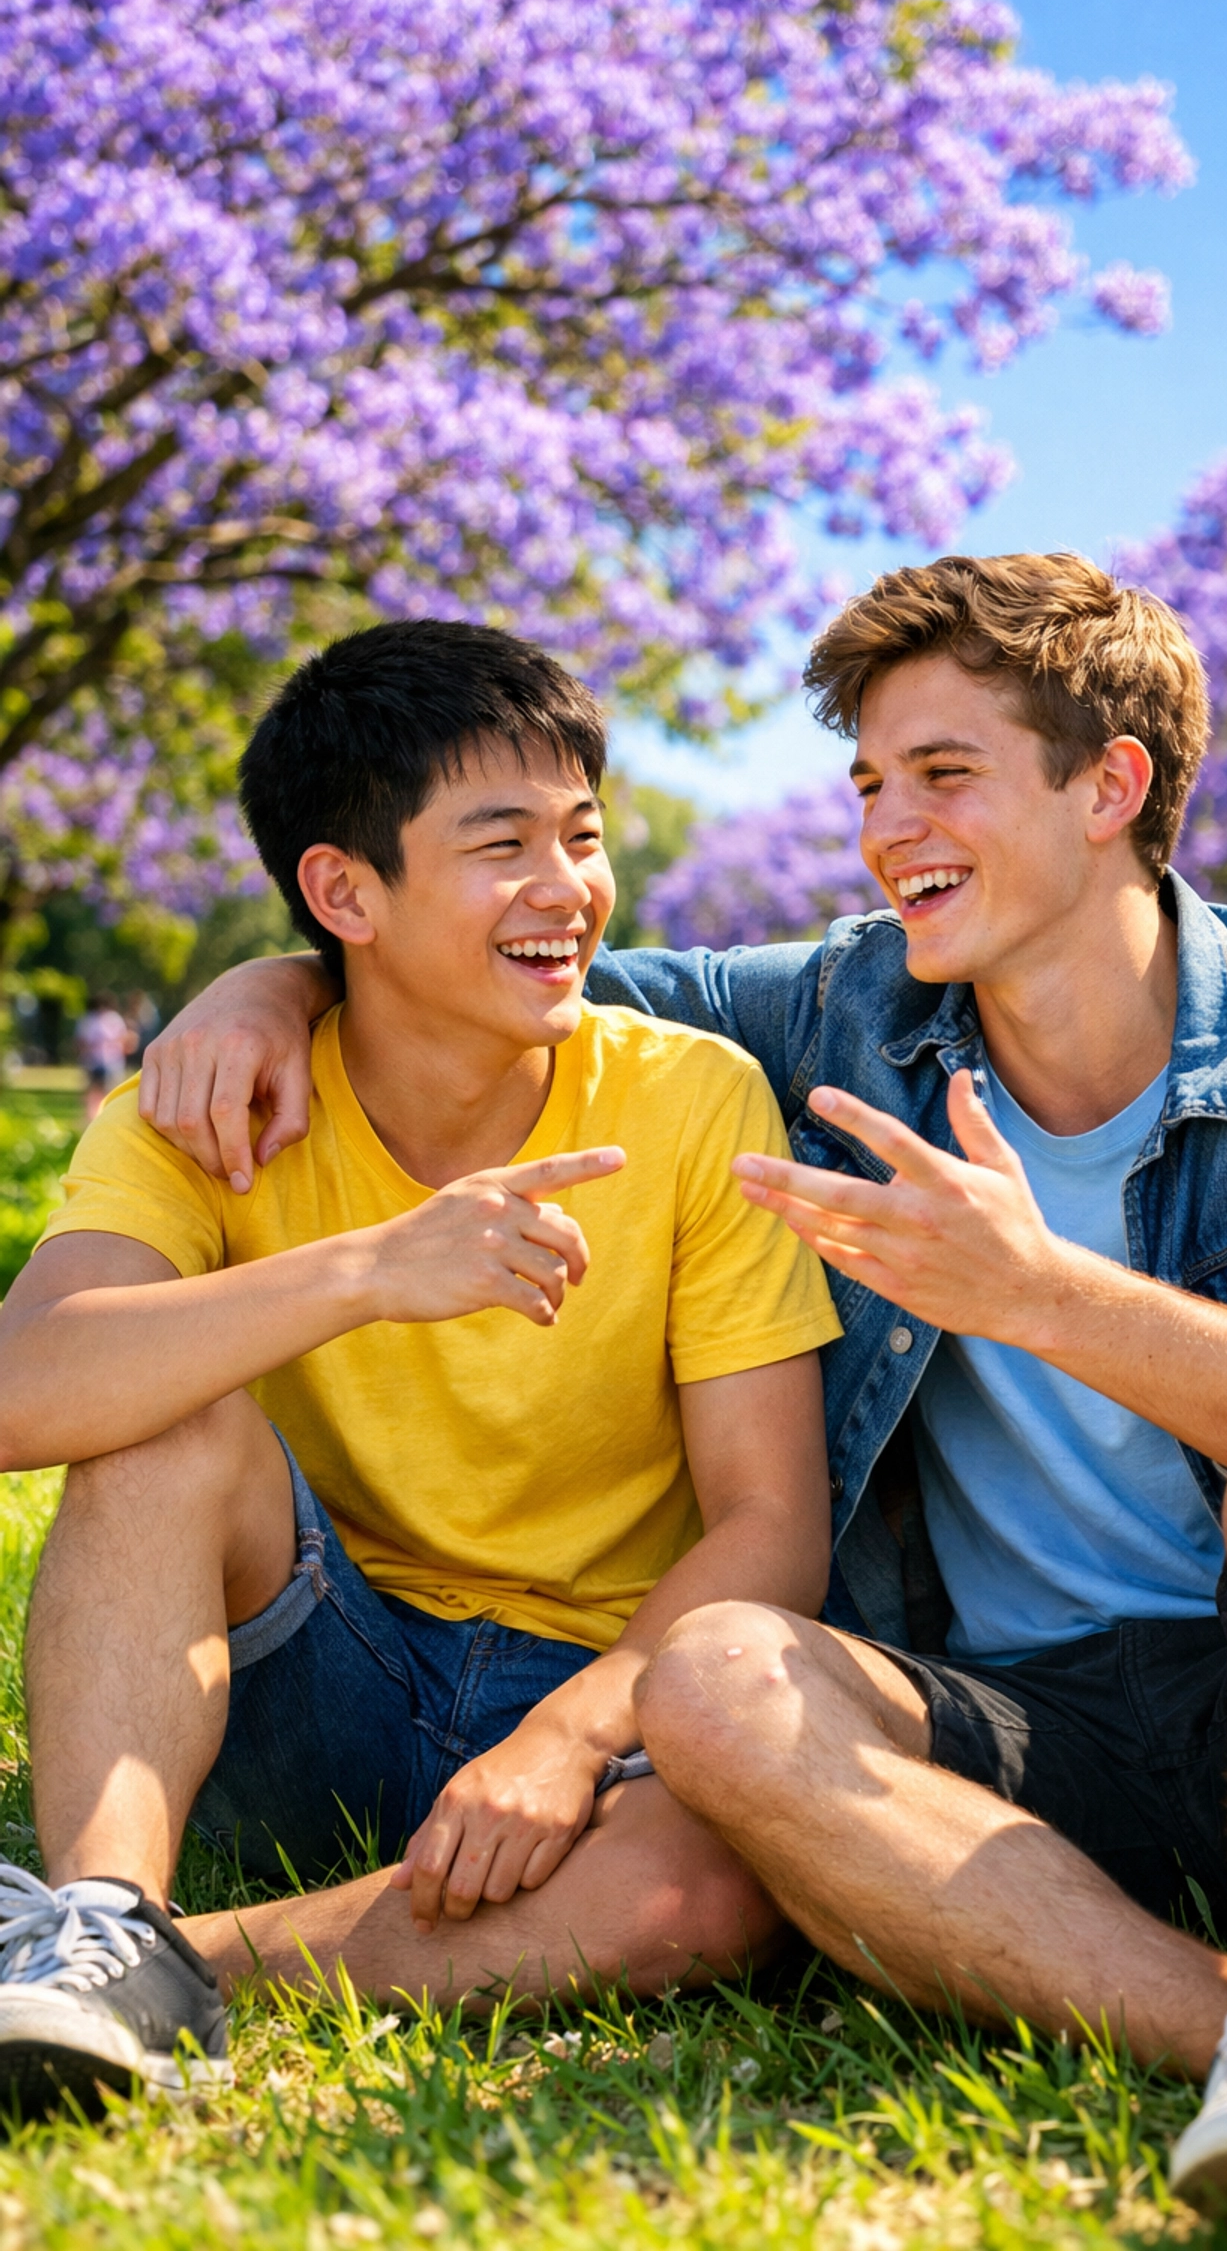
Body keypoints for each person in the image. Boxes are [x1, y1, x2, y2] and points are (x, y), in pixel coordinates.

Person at [139, 556, 1227, 2221]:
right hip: (1038, 1736)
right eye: (871, 782)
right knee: (717, 1675)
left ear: (1113, 784)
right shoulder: (841, 1008)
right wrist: (274, 979)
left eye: (942, 774)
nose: (888, 829)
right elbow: (495, 963)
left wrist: (1046, 1298)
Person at [0, 620, 840, 2120]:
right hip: (306, 1671)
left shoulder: (695, 1099)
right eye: (501, 842)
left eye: (583, 835)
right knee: (154, 1418)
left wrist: (568, 1740)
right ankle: (102, 1912)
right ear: (344, 892)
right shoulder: (206, 1103)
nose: (568, 890)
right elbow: (27, 1390)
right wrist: (371, 1271)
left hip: (600, 1691)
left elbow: (769, 1520)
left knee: (717, 1887)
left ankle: (139, 1966)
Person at [75, 992, 133, 1123]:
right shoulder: (89, 1020)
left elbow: (123, 1039)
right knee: (93, 1091)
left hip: (111, 1061)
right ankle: (92, 1117)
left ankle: (107, 1117)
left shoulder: (113, 1019)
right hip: (94, 1061)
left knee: (110, 1091)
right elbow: (81, 1042)